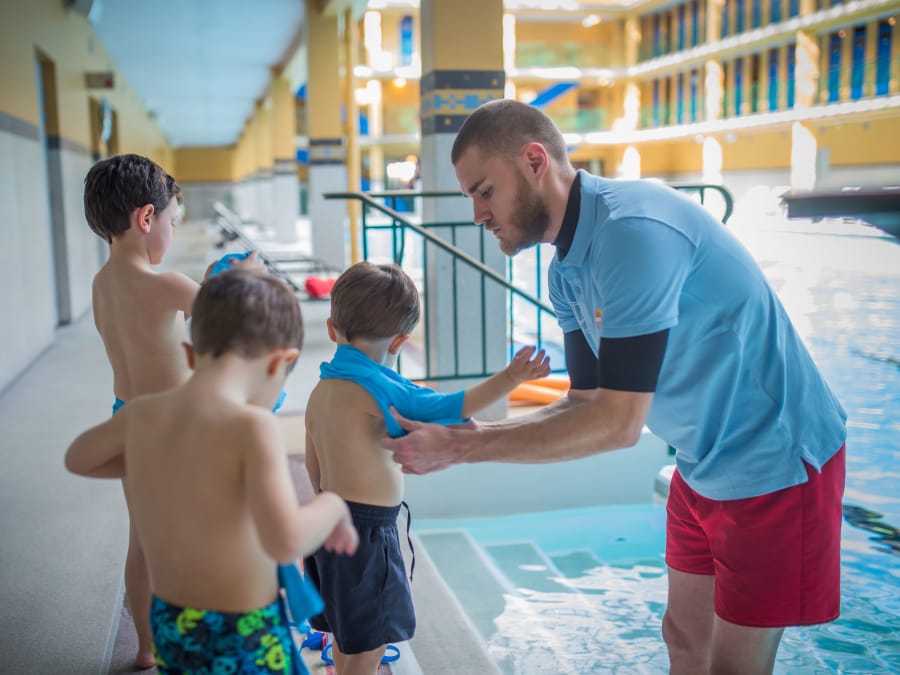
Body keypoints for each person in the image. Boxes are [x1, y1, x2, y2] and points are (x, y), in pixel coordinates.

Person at [382, 99, 847, 675]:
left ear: (534, 161)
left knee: (733, 665)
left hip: (774, 460)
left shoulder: (632, 232)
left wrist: (462, 448)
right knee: (683, 635)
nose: (479, 214)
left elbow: (619, 424)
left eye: (485, 191)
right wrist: (472, 433)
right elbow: (584, 402)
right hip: (703, 460)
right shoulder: (564, 271)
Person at [65, 270, 359, 673]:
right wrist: (333, 507)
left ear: (189, 354)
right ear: (281, 362)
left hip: (173, 626)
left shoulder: (141, 415)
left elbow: (79, 458)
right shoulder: (252, 426)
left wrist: (152, 458)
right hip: (243, 634)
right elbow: (284, 540)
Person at [303, 261, 550, 674]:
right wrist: (511, 377)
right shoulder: (380, 388)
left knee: (349, 634)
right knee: (371, 645)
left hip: (328, 524)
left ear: (332, 329)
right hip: (367, 534)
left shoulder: (322, 389)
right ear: (400, 341)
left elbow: (313, 463)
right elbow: (454, 406)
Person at [83, 153, 261, 668]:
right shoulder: (168, 285)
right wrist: (241, 278)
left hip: (127, 420)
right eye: (173, 221)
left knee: (142, 539)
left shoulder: (101, 284)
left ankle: (145, 648)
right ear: (146, 218)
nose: (173, 231)